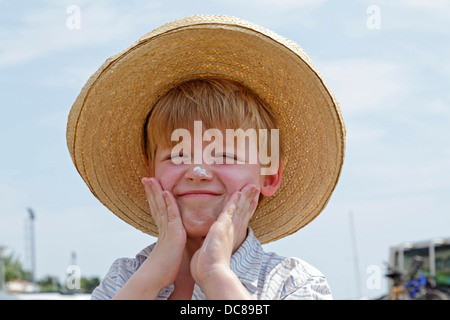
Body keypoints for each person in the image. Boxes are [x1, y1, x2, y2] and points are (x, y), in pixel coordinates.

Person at [66, 15, 346, 300]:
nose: (197, 170)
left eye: (224, 155)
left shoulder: (295, 283)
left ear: (270, 175)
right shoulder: (126, 278)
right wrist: (153, 276)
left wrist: (216, 275)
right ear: (152, 173)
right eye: (178, 155)